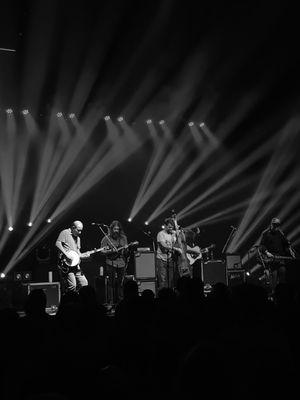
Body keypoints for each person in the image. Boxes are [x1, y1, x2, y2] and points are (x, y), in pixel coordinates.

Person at [259, 217, 295, 294]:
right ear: (271, 224)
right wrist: (266, 252)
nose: (276, 227)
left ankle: (283, 293)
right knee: (274, 277)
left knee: (282, 273)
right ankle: (274, 293)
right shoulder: (265, 233)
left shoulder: (280, 233)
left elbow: (286, 243)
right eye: (275, 225)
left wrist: (290, 250)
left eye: (278, 225)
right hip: (271, 259)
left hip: (280, 258)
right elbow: (261, 246)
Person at [55, 220, 90, 293]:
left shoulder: (78, 238)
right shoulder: (65, 232)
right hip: (67, 265)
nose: (80, 233)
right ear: (73, 227)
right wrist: (66, 255)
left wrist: (85, 256)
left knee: (84, 284)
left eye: (81, 231)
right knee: (72, 286)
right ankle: (70, 301)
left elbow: (78, 254)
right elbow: (58, 243)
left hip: (76, 266)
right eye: (78, 230)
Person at [100, 220, 128, 304]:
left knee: (121, 283)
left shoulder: (123, 238)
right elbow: (102, 251)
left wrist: (126, 249)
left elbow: (126, 252)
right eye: (115, 229)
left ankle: (121, 301)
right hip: (110, 262)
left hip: (121, 262)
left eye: (118, 229)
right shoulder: (106, 238)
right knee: (111, 283)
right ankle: (111, 302)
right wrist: (111, 251)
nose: (116, 231)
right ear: (111, 229)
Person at [156, 218, 184, 289]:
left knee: (170, 280)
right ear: (165, 226)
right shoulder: (161, 234)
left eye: (172, 227)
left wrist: (179, 231)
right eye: (169, 227)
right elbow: (164, 245)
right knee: (162, 279)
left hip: (171, 259)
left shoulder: (174, 233)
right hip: (161, 259)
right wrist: (175, 249)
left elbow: (183, 239)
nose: (171, 228)